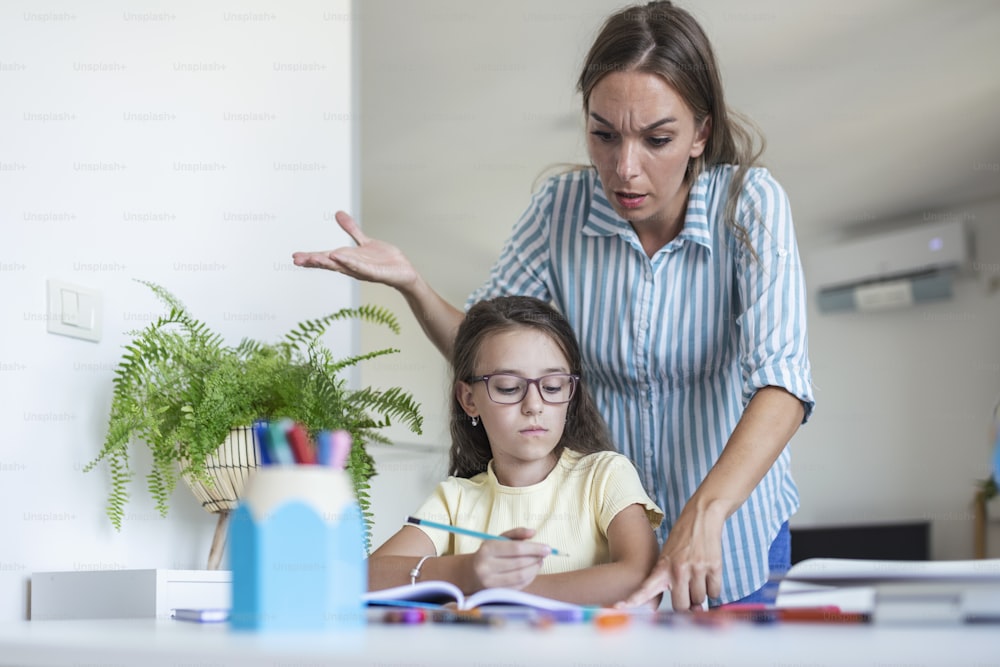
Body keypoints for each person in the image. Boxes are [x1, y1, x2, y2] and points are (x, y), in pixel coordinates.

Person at [294, 0, 815, 610]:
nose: (625, 168)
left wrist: (706, 510)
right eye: (604, 134)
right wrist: (413, 284)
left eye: (657, 138)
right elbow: (489, 352)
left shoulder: (749, 204)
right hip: (601, 551)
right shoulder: (560, 209)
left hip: (731, 537)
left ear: (701, 132)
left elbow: (781, 382)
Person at [366, 295, 664, 606]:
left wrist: (498, 592)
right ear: (469, 399)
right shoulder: (455, 499)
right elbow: (364, 577)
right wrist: (465, 571)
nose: (534, 405)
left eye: (552, 386)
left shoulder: (605, 476)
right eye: (508, 387)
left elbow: (642, 579)